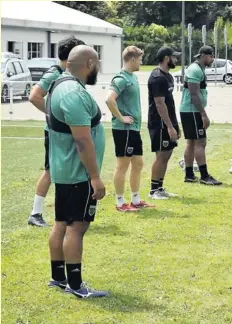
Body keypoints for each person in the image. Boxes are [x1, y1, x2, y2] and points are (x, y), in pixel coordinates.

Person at [46, 45, 108, 298]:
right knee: (76, 226)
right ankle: (75, 285)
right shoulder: (73, 92)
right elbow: (82, 141)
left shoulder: (59, 84)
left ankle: (58, 277)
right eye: (98, 63)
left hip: (64, 170)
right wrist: (95, 176)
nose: (99, 68)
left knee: (61, 223)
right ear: (90, 63)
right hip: (77, 172)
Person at [27, 36, 85, 227]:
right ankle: (35, 213)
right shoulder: (55, 73)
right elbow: (34, 96)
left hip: (64, 134)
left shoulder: (69, 74)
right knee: (51, 171)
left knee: (63, 171)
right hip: (55, 134)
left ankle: (69, 212)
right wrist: (56, 116)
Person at [105, 46, 155, 211]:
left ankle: (135, 199)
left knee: (138, 163)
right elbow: (109, 99)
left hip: (133, 129)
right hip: (123, 129)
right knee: (122, 165)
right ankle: (120, 202)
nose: (141, 62)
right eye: (140, 59)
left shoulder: (132, 77)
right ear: (132, 59)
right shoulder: (121, 79)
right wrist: (121, 117)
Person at [180, 46, 222, 185]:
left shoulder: (198, 69)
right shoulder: (195, 69)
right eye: (211, 56)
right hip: (192, 111)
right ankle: (204, 176)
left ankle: (189, 175)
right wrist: (203, 114)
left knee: (192, 142)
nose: (212, 59)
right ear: (203, 55)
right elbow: (193, 94)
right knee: (200, 142)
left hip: (191, 110)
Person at [147, 47, 181, 199]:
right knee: (161, 156)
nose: (176, 60)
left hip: (169, 122)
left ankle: (160, 188)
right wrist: (169, 126)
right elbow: (160, 104)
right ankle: (154, 191)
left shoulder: (168, 76)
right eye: (174, 57)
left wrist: (175, 125)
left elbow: (170, 102)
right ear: (167, 58)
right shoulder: (157, 78)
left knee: (167, 155)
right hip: (159, 124)